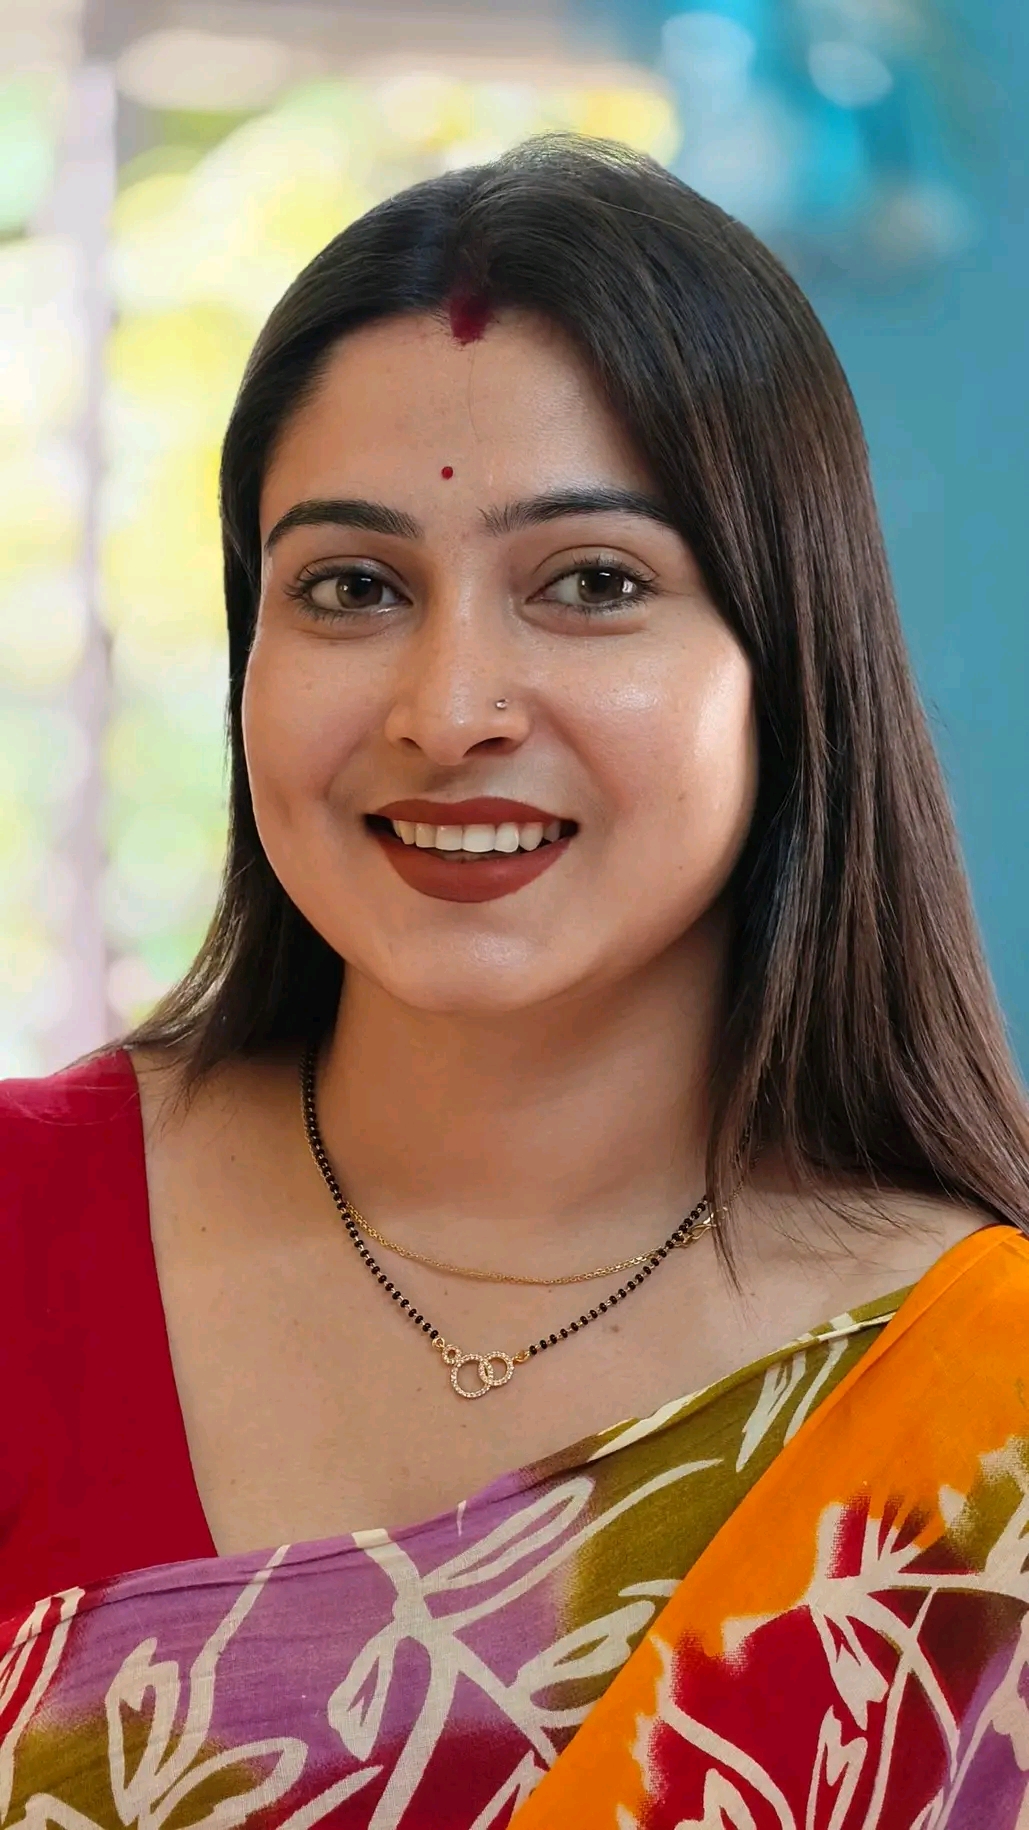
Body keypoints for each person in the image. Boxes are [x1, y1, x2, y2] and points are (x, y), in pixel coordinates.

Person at [1, 136, 1027, 1830]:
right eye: (351, 587)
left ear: (789, 660)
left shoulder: (981, 1415)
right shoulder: (21, 1225)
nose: (448, 707)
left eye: (592, 584)